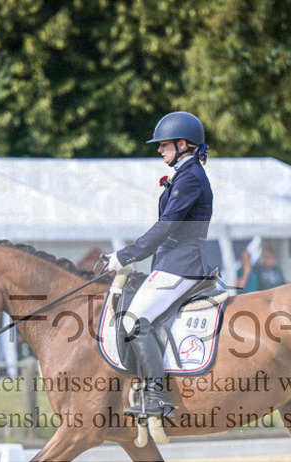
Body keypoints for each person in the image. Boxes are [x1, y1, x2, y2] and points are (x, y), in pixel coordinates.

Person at [103, 111, 212, 418]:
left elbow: (166, 227)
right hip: (171, 262)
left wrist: (125, 256)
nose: (159, 149)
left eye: (164, 144)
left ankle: (157, 395)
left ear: (183, 144)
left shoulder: (190, 177)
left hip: (182, 264)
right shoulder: (185, 175)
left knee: (134, 321)